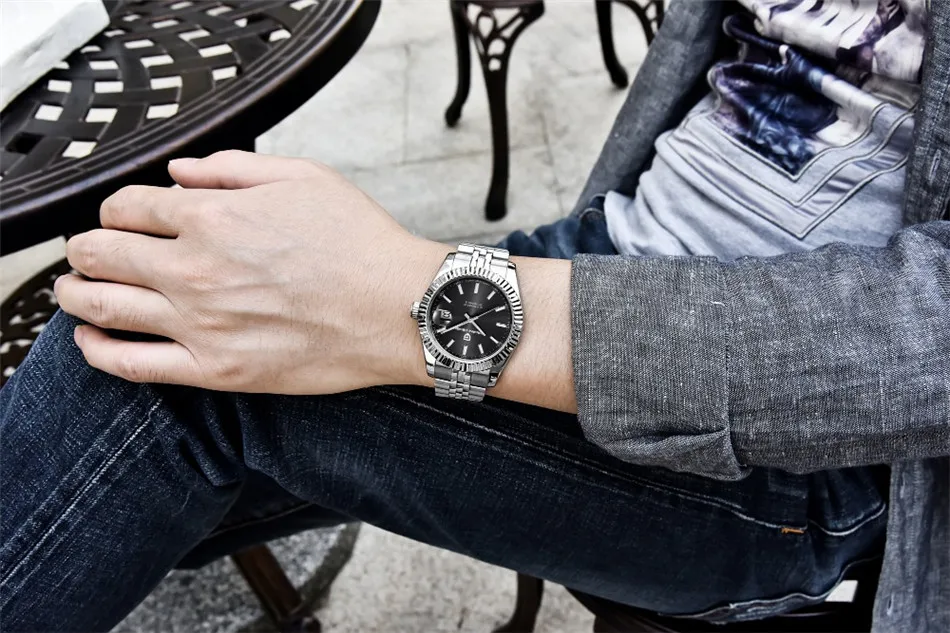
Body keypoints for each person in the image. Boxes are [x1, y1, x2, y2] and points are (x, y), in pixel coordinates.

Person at [1, 0, 947, 631]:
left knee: (146, 371)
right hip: (619, 245)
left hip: (814, 453)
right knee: (167, 306)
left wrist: (409, 304)